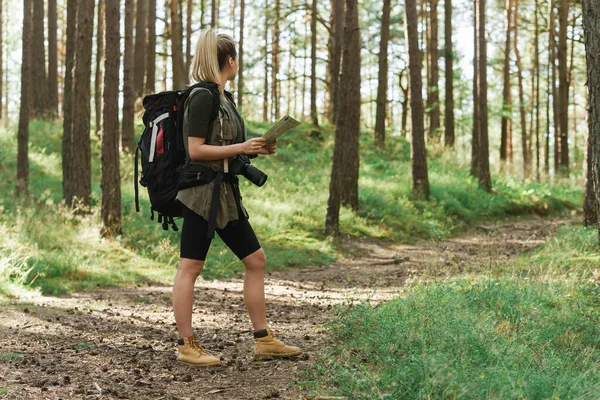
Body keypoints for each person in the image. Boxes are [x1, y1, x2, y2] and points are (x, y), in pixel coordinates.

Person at [172, 29, 302, 367]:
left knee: (255, 260)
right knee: (191, 266)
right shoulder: (202, 96)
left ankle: (264, 341)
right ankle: (187, 345)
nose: (238, 61)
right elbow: (196, 150)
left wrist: (256, 148)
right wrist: (242, 147)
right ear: (230, 60)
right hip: (202, 194)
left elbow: (226, 149)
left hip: (226, 193)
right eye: (236, 56)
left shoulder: (224, 97)